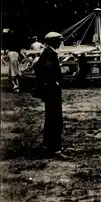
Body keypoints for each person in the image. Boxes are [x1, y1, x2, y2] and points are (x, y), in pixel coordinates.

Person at [34, 32, 68, 160]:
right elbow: (46, 69)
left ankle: (47, 146)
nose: (60, 42)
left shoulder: (47, 52)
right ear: (53, 41)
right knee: (56, 119)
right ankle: (56, 150)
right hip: (52, 91)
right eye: (58, 40)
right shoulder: (50, 53)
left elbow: (38, 67)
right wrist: (55, 82)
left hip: (49, 91)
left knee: (50, 118)